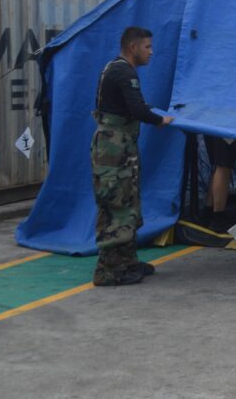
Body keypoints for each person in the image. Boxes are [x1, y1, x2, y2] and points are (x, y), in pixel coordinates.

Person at [91, 26, 174, 287]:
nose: (151, 52)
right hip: (114, 151)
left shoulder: (117, 69)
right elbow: (137, 109)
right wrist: (160, 119)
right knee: (116, 202)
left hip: (121, 148)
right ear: (132, 47)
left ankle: (126, 261)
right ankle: (108, 270)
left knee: (128, 202)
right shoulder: (123, 72)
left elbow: (131, 106)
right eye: (147, 47)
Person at [202, 135, 236, 232]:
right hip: (225, 130)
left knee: (218, 166)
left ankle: (208, 212)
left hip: (212, 128)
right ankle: (218, 218)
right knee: (224, 166)